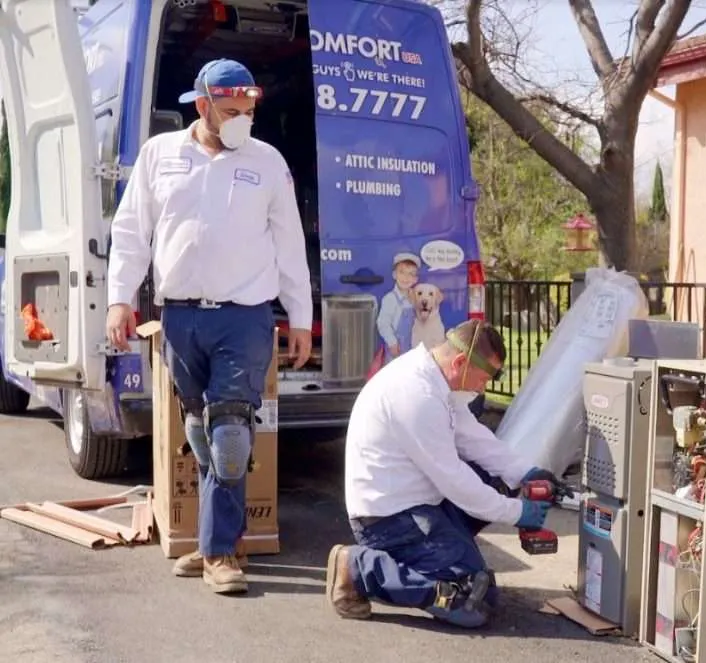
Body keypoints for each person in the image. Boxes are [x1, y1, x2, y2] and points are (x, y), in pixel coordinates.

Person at [105, 58, 313, 594]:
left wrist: (301, 318)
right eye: (231, 110)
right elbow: (132, 231)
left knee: (229, 434)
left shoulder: (267, 162)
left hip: (244, 318)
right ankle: (214, 539)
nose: (243, 118)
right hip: (179, 317)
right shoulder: (160, 155)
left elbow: (289, 243)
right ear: (202, 106)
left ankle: (221, 554)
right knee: (199, 430)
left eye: (249, 109)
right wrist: (119, 299)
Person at [326, 319, 559, 627]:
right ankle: (357, 569)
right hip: (390, 521)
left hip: (420, 504)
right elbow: (455, 481)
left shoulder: (436, 379)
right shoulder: (416, 395)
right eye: (485, 377)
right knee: (472, 601)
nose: (483, 387)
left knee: (499, 483)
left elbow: (471, 436)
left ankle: (446, 554)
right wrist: (519, 513)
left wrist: (526, 472)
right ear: (461, 362)